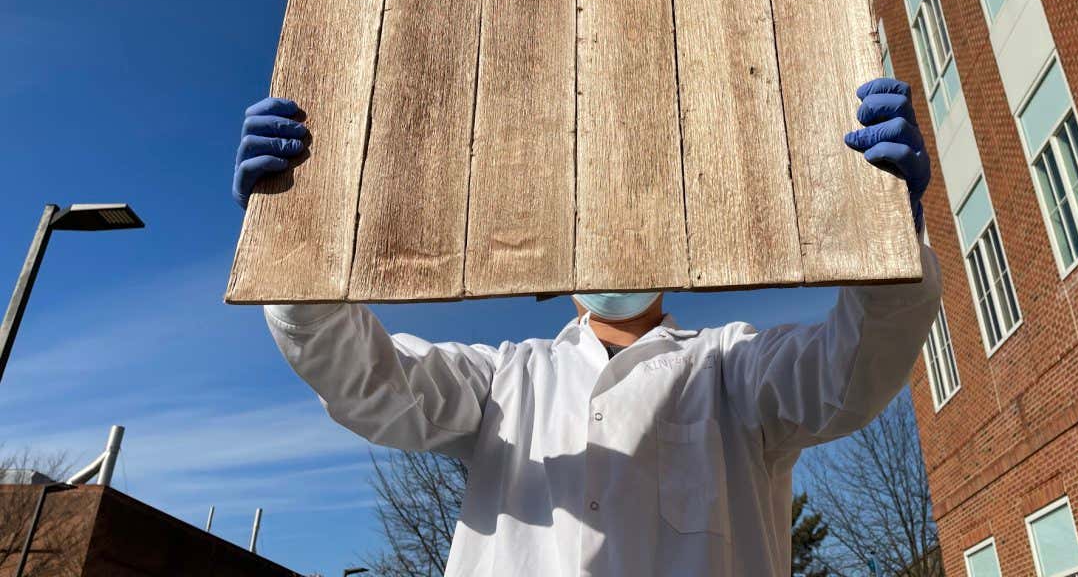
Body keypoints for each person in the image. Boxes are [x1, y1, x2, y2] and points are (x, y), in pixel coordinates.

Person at [232, 77, 941, 577]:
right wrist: (293, 244)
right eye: (588, 231)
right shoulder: (505, 380)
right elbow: (369, 384)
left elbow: (855, 372)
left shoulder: (737, 370)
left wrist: (889, 236)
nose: (611, 251)